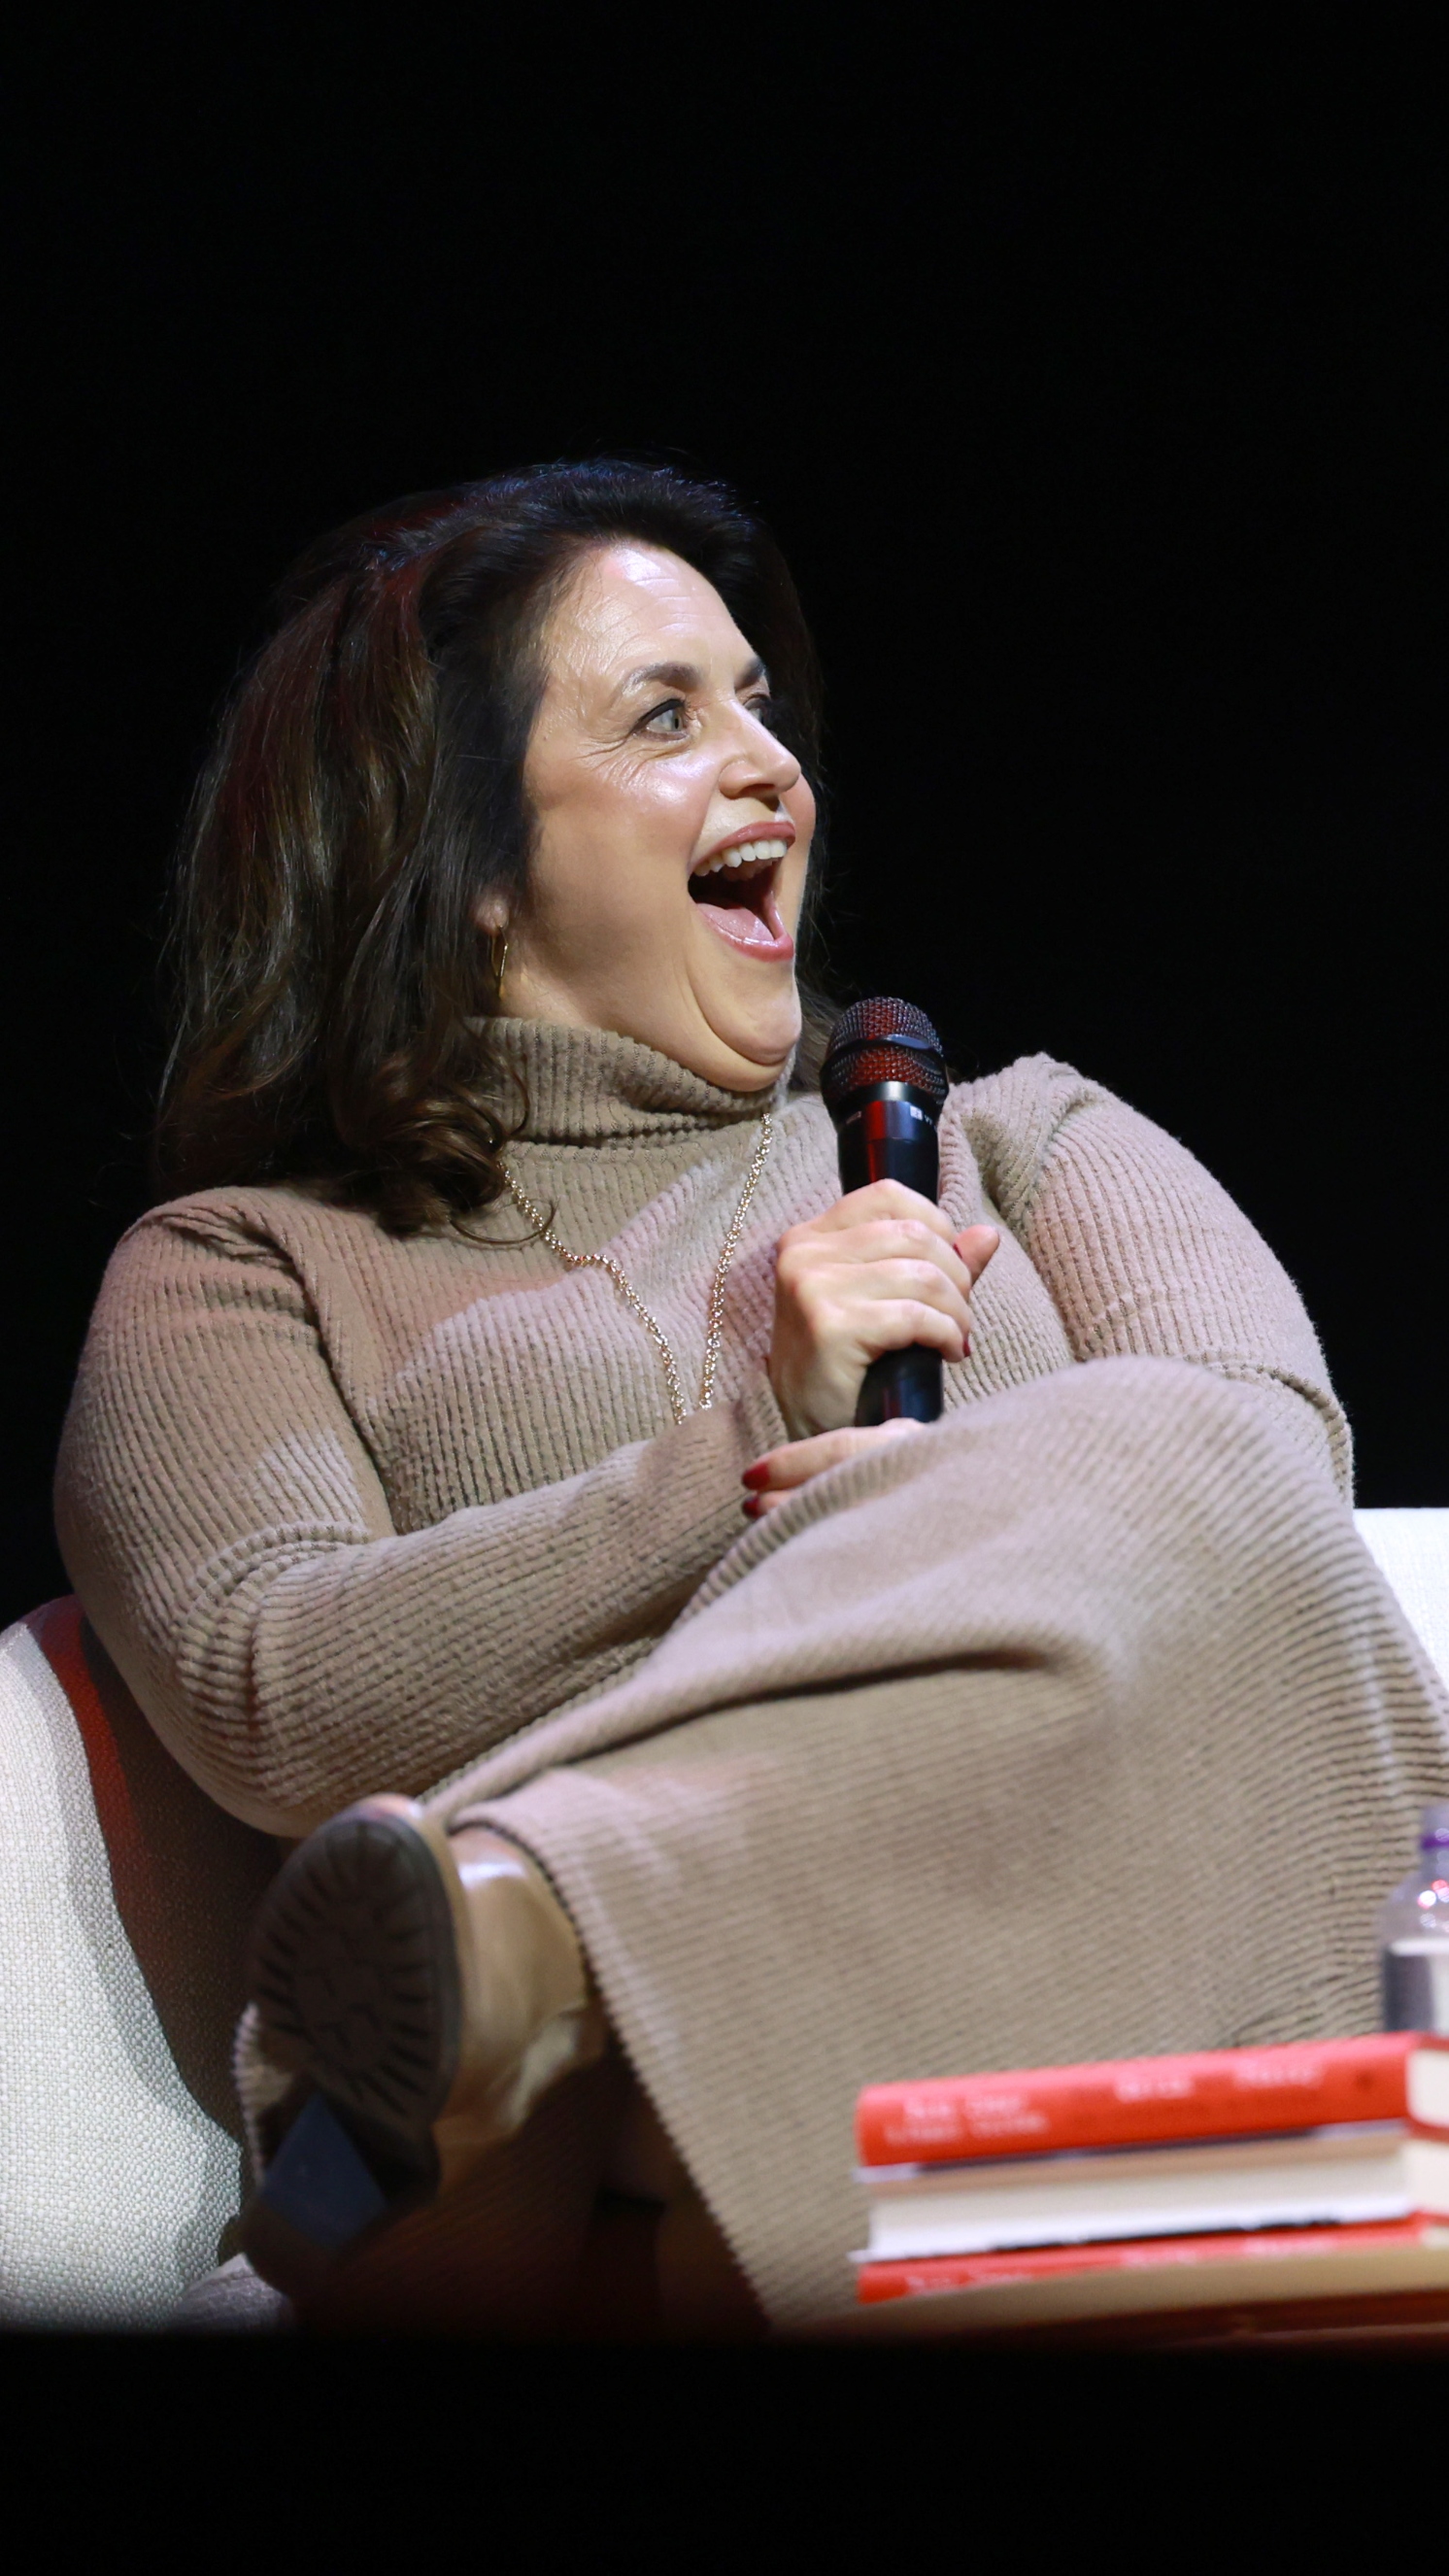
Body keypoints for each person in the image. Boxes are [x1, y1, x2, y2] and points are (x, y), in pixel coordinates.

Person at [56, 461, 1449, 2334]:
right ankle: (552, 2061)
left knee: (1180, 1439)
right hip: (762, 2104)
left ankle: (529, 1956)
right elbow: (269, 1686)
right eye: (665, 714)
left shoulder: (1023, 1143)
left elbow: (1256, 1469)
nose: (770, 764)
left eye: (763, 708)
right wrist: (738, 1460)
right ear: (463, 861)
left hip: (1083, 1958)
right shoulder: (241, 1266)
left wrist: (914, 1510)